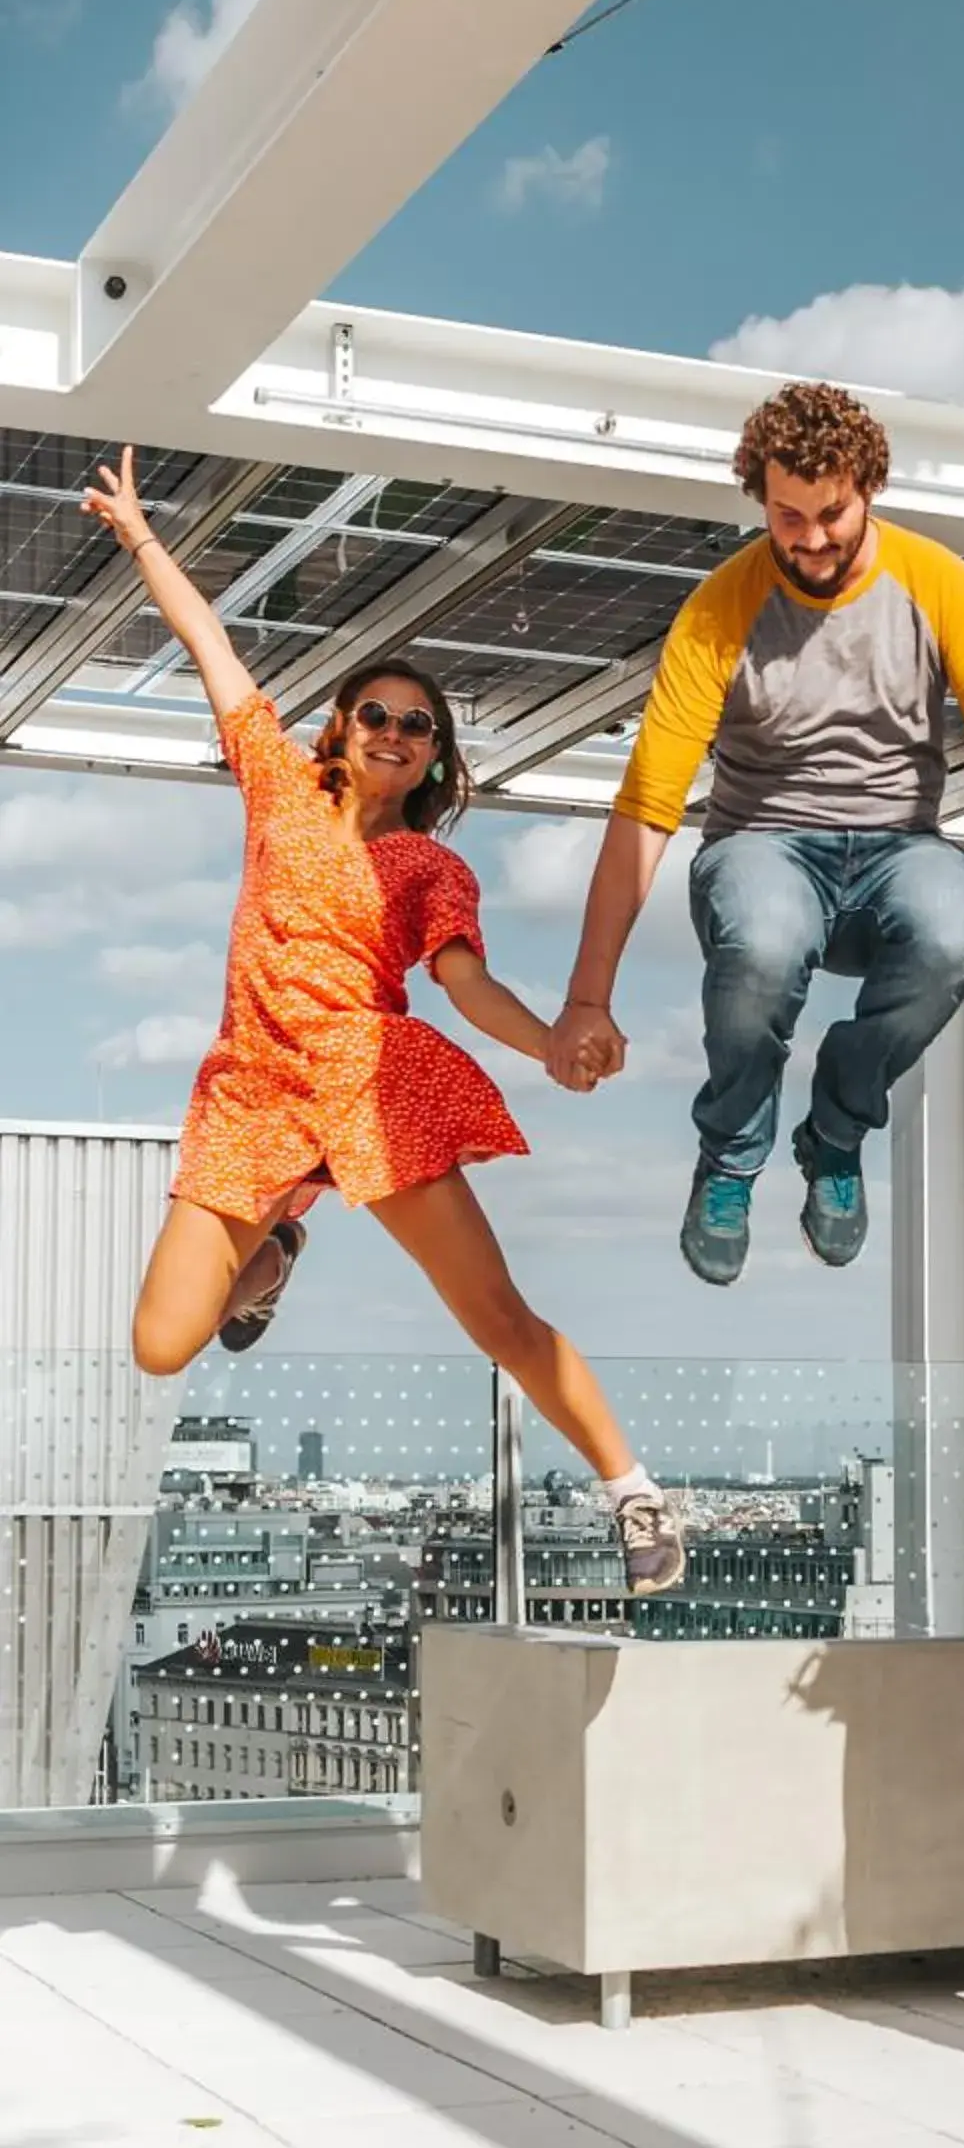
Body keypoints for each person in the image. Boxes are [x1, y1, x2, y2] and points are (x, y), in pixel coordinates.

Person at [81, 449, 684, 1603]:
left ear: (435, 754)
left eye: (418, 724)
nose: (396, 731)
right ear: (341, 728)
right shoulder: (276, 788)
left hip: (371, 1089)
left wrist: (557, 1039)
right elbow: (215, 653)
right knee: (162, 1344)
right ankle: (282, 1245)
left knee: (495, 1317)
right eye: (377, 713)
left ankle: (635, 1492)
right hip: (252, 1092)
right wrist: (146, 541)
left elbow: (463, 984)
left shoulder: (429, 865)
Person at [547, 380, 964, 1286]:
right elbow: (647, 807)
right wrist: (589, 998)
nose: (812, 539)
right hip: (763, 844)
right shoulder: (720, 608)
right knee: (768, 942)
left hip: (900, 846)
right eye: (788, 516)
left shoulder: (937, 583)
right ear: (759, 498)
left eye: (832, 514)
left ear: (870, 490)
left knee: (951, 926)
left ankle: (836, 1131)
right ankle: (733, 1154)